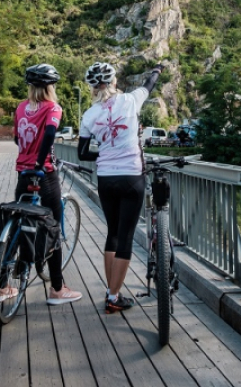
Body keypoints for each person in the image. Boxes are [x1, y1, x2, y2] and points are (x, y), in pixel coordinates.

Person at [78, 61, 163, 314]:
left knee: (112, 233)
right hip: (131, 177)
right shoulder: (130, 100)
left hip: (106, 178)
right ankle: (113, 297)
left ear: (92, 88)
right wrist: (157, 70)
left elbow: (82, 153)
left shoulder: (89, 115)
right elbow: (149, 84)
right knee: (126, 236)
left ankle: (111, 290)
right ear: (114, 82)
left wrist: (105, 154)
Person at [14, 63, 82, 305]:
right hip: (44, 173)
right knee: (53, 226)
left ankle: (3, 285)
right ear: (50, 87)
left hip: (22, 171)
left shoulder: (21, 107)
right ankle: (57, 288)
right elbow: (51, 133)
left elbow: (16, 137)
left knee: (18, 223)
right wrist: (41, 163)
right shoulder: (53, 107)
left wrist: (29, 158)